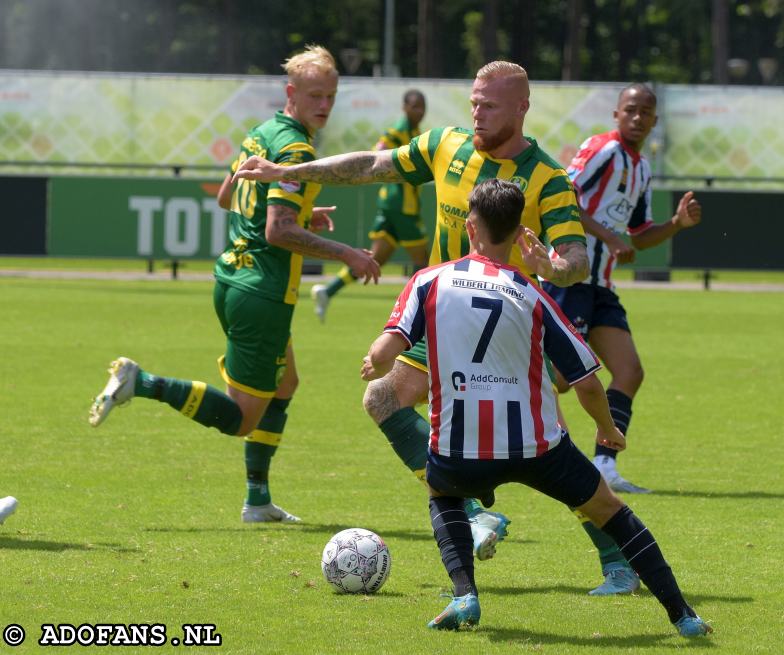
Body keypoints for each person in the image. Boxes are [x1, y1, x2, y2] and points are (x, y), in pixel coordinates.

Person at [233, 60, 642, 595]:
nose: (477, 112)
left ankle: (617, 560)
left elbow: (575, 259)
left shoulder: (547, 177)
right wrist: (289, 173)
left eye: (489, 105)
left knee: (548, 453)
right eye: (474, 100)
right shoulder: (447, 144)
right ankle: (474, 513)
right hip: (441, 323)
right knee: (382, 399)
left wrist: (549, 266)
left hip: (505, 340)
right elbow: (372, 164)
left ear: (521, 108)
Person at [361, 179, 712, 637]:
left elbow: (390, 344)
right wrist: (608, 430)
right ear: (517, 233)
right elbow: (587, 383)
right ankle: (683, 615)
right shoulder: (532, 294)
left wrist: (376, 358)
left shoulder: (429, 281)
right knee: (613, 511)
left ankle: (465, 594)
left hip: (459, 451)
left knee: (442, 494)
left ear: (469, 226)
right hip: (538, 447)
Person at [89, 45, 381, 524]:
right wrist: (348, 253)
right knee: (244, 417)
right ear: (292, 93)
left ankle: (258, 500)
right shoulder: (296, 149)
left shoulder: (261, 134)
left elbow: (228, 196)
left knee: (285, 383)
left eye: (330, 96)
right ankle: (141, 383)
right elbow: (278, 230)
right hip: (262, 292)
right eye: (314, 95)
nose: (324, 105)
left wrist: (307, 211)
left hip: (232, 277)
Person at [543, 83, 702, 493]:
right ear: (616, 114)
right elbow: (564, 199)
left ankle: (604, 466)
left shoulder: (642, 169)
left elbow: (641, 233)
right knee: (559, 378)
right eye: (630, 109)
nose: (637, 117)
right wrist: (609, 239)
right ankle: (529, 442)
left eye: (645, 111)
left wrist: (677, 226)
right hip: (570, 277)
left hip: (601, 286)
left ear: (654, 120)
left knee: (629, 371)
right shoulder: (603, 149)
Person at [311, 90, 429, 322]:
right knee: (423, 262)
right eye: (415, 106)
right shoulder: (399, 130)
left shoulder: (413, 131)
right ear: (405, 107)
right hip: (401, 207)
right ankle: (417, 314)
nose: (419, 111)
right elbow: (379, 150)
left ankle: (327, 291)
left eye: (422, 106)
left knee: (374, 260)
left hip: (392, 205)